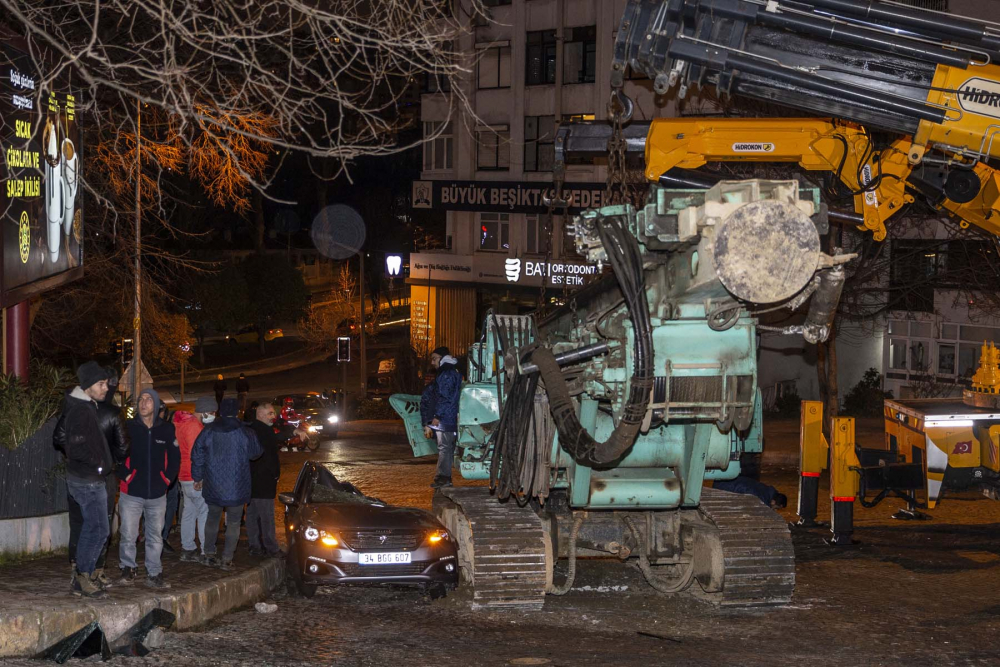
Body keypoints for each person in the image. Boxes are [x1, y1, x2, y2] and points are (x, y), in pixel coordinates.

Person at [53, 361, 115, 598]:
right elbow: (77, 447)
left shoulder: (84, 406)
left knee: (97, 528)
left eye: (106, 384)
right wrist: (99, 465)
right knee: (97, 529)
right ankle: (82, 577)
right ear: (88, 385)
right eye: (101, 384)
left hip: (87, 478)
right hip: (88, 480)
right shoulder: (81, 410)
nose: (105, 388)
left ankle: (84, 575)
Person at [191, 398, 263, 571]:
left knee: (212, 518)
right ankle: (227, 559)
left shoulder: (208, 431)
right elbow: (256, 453)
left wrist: (197, 477)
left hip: (213, 484)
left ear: (220, 411)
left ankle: (208, 553)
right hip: (237, 486)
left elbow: (197, 454)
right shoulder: (245, 432)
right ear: (237, 411)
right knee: (233, 522)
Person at [118, 388, 180, 589]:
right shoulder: (128, 427)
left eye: (148, 400)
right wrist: (126, 475)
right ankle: (128, 568)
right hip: (131, 491)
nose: (143, 403)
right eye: (141, 399)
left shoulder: (166, 429)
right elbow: (116, 454)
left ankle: (154, 572)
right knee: (128, 533)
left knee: (155, 535)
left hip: (157, 493)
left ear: (156, 405)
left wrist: (166, 480)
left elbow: (174, 458)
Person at [173, 396, 216, 561]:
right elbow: (196, 454)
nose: (213, 415)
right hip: (194, 475)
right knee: (204, 512)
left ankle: (187, 548)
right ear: (204, 411)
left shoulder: (183, 423)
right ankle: (206, 551)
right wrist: (200, 477)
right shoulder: (194, 427)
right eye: (211, 412)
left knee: (189, 512)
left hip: (184, 475)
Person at [247, 403, 282, 557]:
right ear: (260, 414)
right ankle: (271, 547)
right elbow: (270, 458)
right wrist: (275, 474)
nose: (273, 417)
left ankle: (254, 545)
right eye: (270, 414)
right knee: (266, 516)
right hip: (264, 479)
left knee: (252, 514)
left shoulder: (251, 429)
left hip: (251, 480)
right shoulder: (264, 432)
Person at [427, 346, 461, 489]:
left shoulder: (446, 373)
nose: (432, 363)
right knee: (445, 447)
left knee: (444, 447)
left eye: (434, 359)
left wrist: (437, 416)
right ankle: (444, 477)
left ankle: (443, 478)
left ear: (442, 358)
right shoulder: (451, 371)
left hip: (446, 417)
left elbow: (445, 397)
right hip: (449, 415)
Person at [159, 401, 179, 553]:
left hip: (162, 475)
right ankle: (161, 537)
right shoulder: (167, 429)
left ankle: (153, 535)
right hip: (166, 475)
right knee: (168, 505)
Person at [713, 476, 788, 509]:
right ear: (773, 502)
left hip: (723, 481)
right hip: (722, 487)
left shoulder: (766, 490)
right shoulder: (760, 498)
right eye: (776, 508)